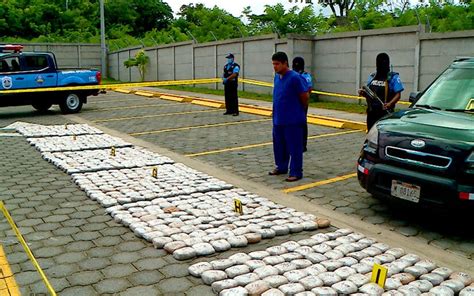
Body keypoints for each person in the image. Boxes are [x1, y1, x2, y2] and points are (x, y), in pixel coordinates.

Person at [269, 52, 309, 182]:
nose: (275, 67)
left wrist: (298, 112)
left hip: (293, 120)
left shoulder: (295, 78)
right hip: (278, 119)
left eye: (277, 64)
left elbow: (305, 97)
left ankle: (296, 172)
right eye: (273, 64)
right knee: (279, 145)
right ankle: (281, 166)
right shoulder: (277, 77)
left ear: (285, 63)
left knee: (294, 147)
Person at [359, 52, 404, 131]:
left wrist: (390, 104)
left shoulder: (393, 77)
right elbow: (370, 93)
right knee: (371, 134)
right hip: (372, 113)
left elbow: (398, 95)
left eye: (384, 62)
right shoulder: (373, 76)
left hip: (385, 114)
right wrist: (364, 93)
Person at [292, 57, 312, 152]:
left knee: (302, 123)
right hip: (293, 102)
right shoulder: (292, 75)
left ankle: (303, 144)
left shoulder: (305, 76)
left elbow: (309, 89)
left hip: (302, 102)